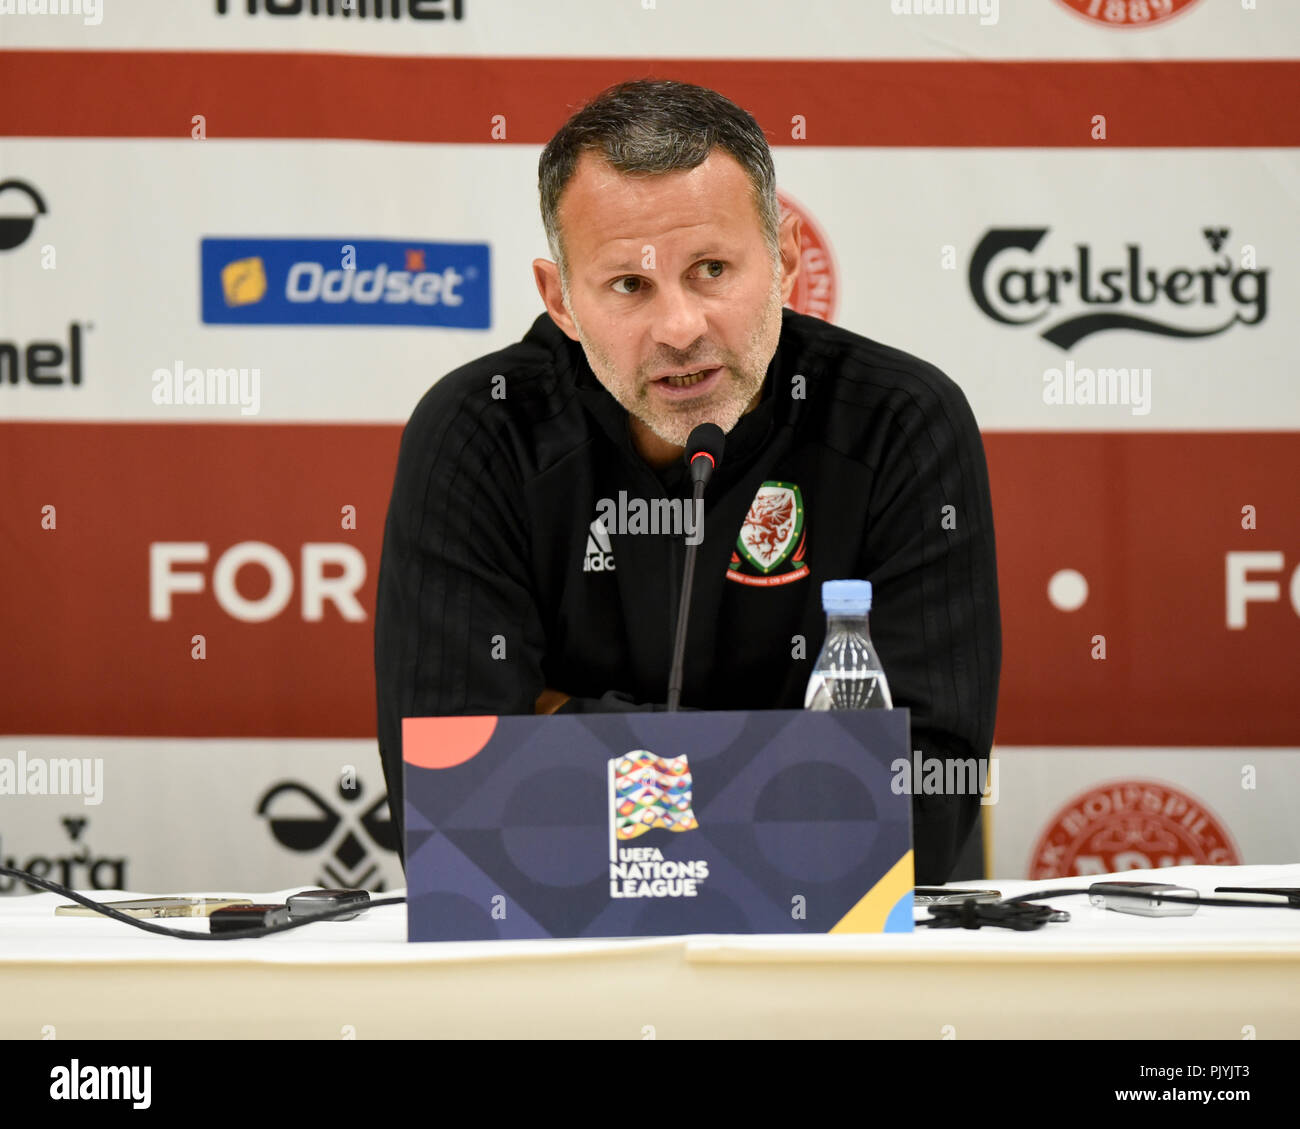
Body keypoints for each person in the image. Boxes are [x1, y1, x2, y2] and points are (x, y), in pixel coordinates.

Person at [374, 79, 1000, 885]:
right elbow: (453, 818)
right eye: (629, 285)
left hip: (826, 968)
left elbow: (923, 803)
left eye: (710, 269)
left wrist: (562, 718)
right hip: (561, 970)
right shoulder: (478, 433)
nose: (680, 329)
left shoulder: (900, 423)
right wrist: (795, 764)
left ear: (783, 259)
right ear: (560, 300)